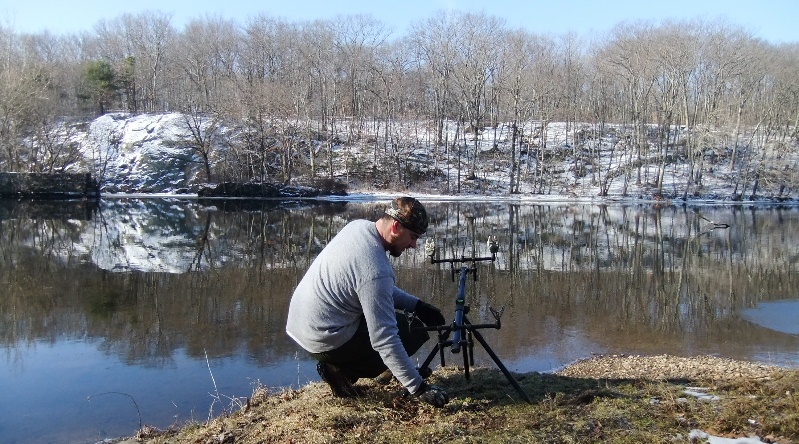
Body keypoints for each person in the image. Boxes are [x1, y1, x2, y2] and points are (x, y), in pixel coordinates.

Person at [286, 196, 450, 407]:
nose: (414, 245)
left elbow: (371, 290)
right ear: (396, 226)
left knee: (396, 322)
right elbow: (384, 338)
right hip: (323, 338)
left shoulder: (359, 228)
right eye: (412, 237)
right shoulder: (375, 268)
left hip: (302, 326)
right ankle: (342, 371)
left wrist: (417, 306)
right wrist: (418, 388)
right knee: (411, 331)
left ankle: (353, 364)